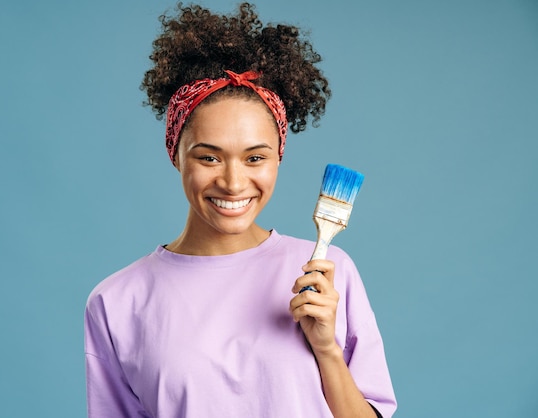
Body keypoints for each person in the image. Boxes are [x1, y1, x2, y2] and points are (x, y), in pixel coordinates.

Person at [84, 3, 397, 417]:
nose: (233, 183)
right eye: (209, 158)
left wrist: (326, 350)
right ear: (176, 155)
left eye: (255, 158)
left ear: (279, 157)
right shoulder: (116, 303)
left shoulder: (327, 274)